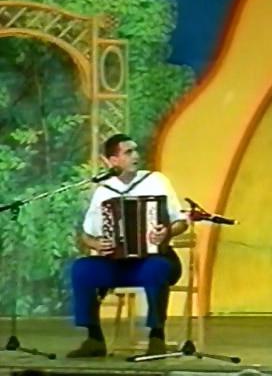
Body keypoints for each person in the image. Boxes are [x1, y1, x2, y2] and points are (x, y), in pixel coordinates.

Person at [67, 133, 188, 358]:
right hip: (117, 263)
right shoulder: (104, 190)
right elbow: (86, 235)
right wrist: (97, 243)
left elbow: (181, 222)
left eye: (136, 150)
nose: (136, 156)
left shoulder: (156, 181)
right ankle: (94, 339)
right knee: (81, 269)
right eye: (128, 152)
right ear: (113, 160)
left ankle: (156, 336)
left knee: (156, 268)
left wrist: (166, 232)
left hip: (154, 259)